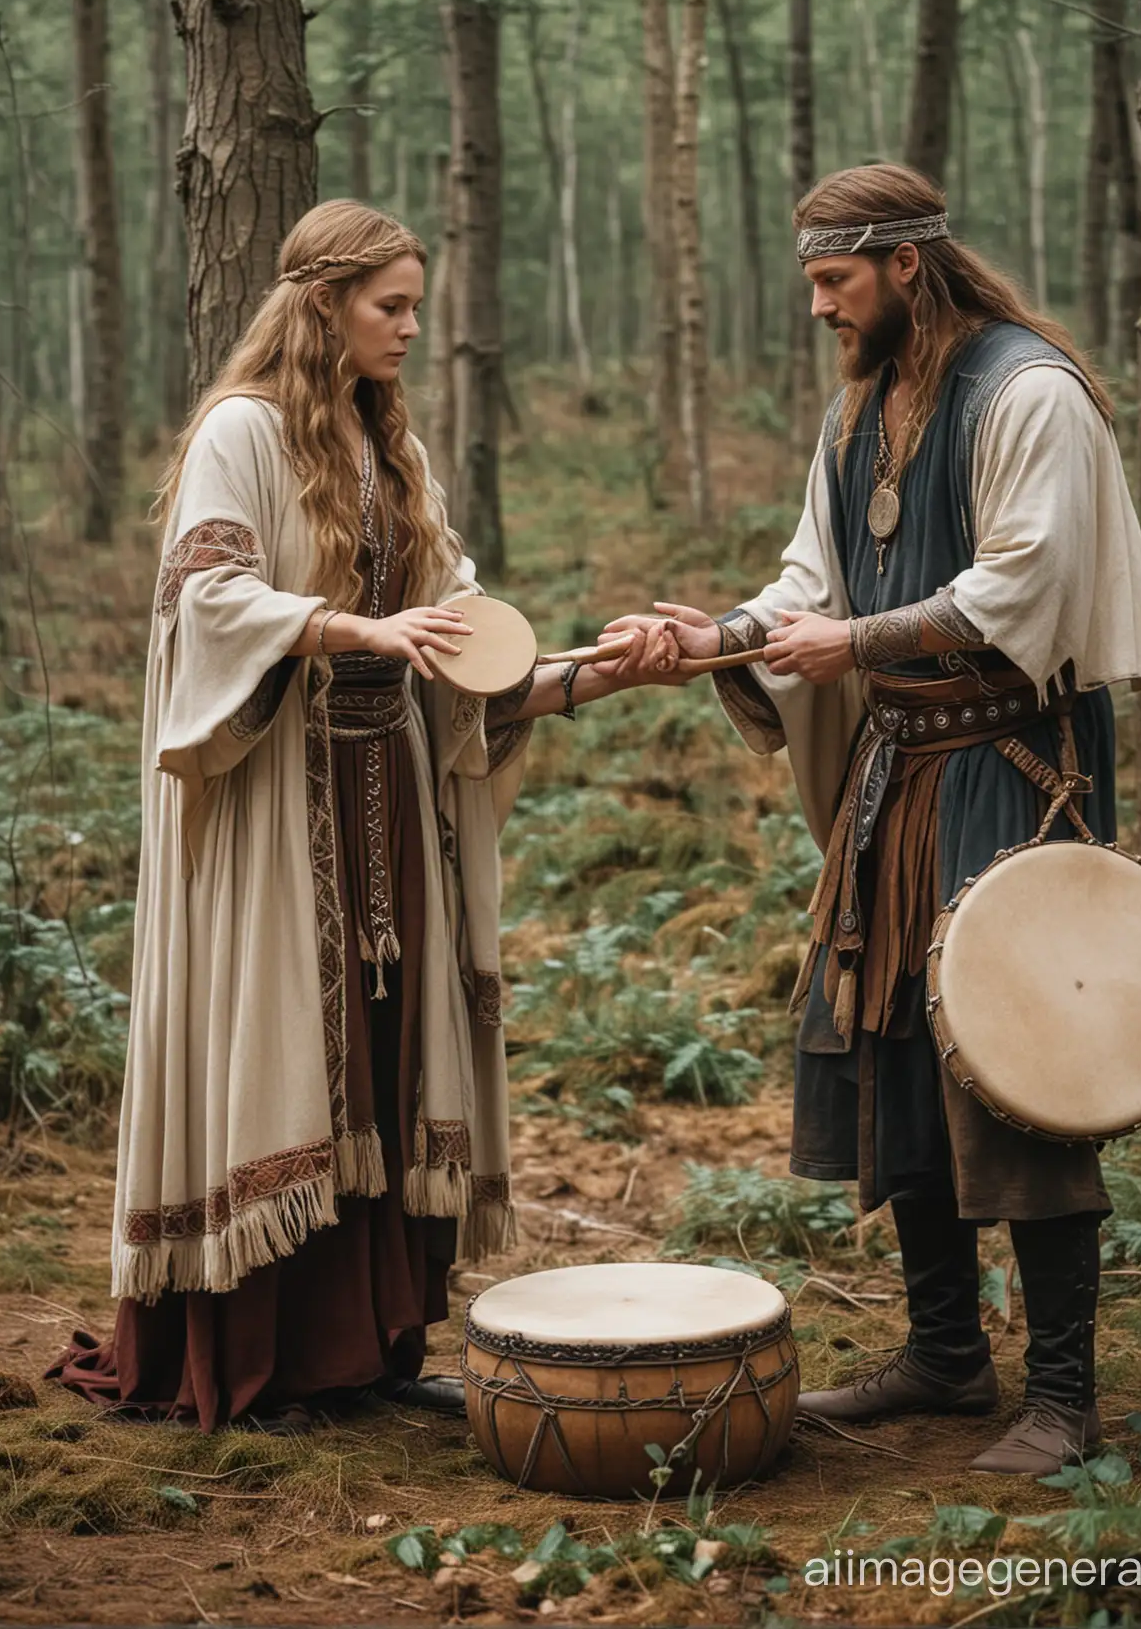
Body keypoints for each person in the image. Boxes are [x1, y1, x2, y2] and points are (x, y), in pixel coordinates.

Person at [50, 200, 674, 1432]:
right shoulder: (243, 432)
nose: (410, 328)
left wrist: (599, 670)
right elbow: (207, 598)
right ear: (321, 303)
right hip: (278, 807)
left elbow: (467, 642)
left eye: (417, 307)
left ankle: (367, 1352)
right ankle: (264, 1356)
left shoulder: (393, 449)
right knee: (290, 1048)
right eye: (391, 305)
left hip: (390, 801)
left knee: (385, 1057)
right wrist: (342, 627)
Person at [607, 163, 1141, 1476]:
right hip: (899, 769)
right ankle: (945, 1355)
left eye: (834, 279)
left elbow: (1022, 588)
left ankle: (1063, 1395)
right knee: (895, 1037)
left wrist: (847, 638)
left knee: (1024, 1060)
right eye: (812, 280)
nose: (820, 307)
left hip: (1018, 767)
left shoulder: (1030, 393)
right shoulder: (860, 405)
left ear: (906, 263)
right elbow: (812, 575)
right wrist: (719, 637)